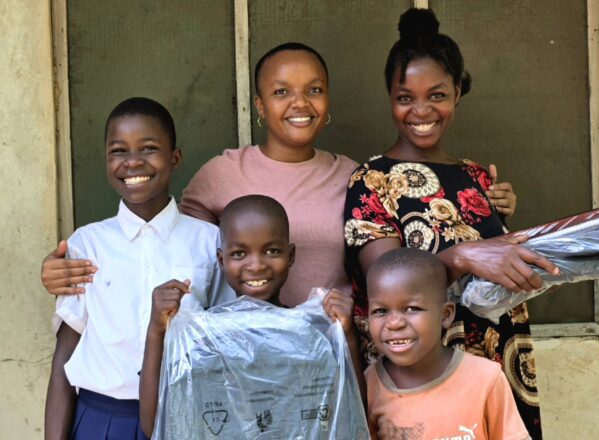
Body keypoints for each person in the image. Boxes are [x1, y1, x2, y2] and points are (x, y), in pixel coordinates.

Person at [343, 8, 558, 439]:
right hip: (417, 378)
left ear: (458, 92)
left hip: (498, 361)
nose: (421, 110)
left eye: (436, 94)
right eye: (405, 97)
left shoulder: (478, 177)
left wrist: (504, 223)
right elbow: (382, 279)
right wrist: (464, 254)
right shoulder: (371, 180)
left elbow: (495, 264)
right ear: (389, 96)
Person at [41, 42, 357, 308]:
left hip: (330, 350)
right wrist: (64, 269)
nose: (299, 103)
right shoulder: (222, 173)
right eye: (281, 91)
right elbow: (172, 247)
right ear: (260, 106)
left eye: (314, 89)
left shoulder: (354, 177)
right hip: (239, 353)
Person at [44, 97, 234, 440]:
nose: (132, 162)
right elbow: (64, 359)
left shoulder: (210, 242)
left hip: (190, 417)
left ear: (175, 158)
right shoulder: (87, 245)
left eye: (148, 148)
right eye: (118, 151)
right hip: (103, 420)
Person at [138, 195, 361, 437]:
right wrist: (156, 331)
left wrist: (346, 336)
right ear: (221, 260)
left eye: (272, 251)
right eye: (239, 254)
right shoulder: (202, 339)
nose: (256, 265)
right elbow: (156, 425)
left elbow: (349, 415)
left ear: (291, 256)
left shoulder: (312, 333)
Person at [365, 248, 531, 440]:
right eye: (380, 311)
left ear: (445, 315)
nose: (394, 323)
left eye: (412, 308)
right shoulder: (369, 385)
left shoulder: (485, 378)